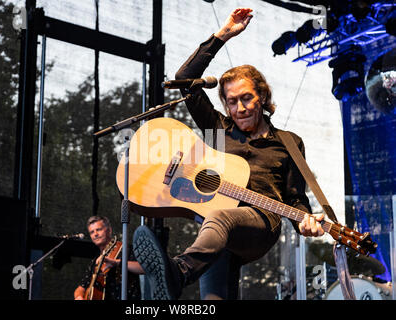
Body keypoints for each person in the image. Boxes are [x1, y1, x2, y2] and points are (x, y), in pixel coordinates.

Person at [133, 7, 325, 300]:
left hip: (260, 222)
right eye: (232, 102)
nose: (241, 108)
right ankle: (180, 275)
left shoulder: (288, 142)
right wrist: (223, 34)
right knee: (212, 300)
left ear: (262, 96)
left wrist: (306, 221)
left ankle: (179, 272)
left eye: (247, 98)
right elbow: (185, 77)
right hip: (214, 223)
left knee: (220, 217)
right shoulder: (217, 130)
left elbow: (295, 197)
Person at [74, 216, 144, 300]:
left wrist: (117, 262)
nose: (95, 234)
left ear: (109, 230)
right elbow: (81, 287)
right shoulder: (95, 260)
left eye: (99, 229)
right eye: (92, 232)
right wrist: (79, 296)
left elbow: (143, 268)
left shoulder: (125, 249)